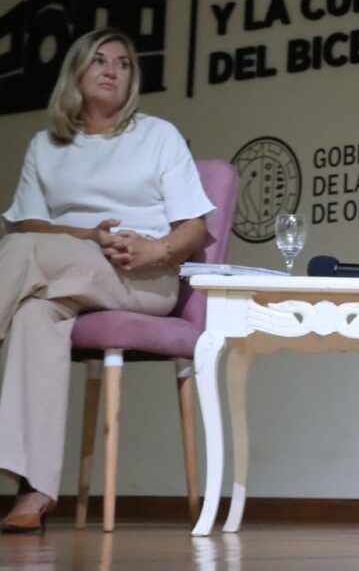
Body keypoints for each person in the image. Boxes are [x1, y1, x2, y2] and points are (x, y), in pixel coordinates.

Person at [0, 28, 214, 533]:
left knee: (17, 254)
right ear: (75, 72)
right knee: (32, 313)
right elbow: (28, 222)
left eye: (123, 63)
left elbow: (196, 228)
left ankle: (33, 488)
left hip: (143, 278)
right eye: (99, 60)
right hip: (69, 268)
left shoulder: (156, 134)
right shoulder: (47, 145)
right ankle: (34, 490)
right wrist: (87, 235)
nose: (112, 70)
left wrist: (153, 248)